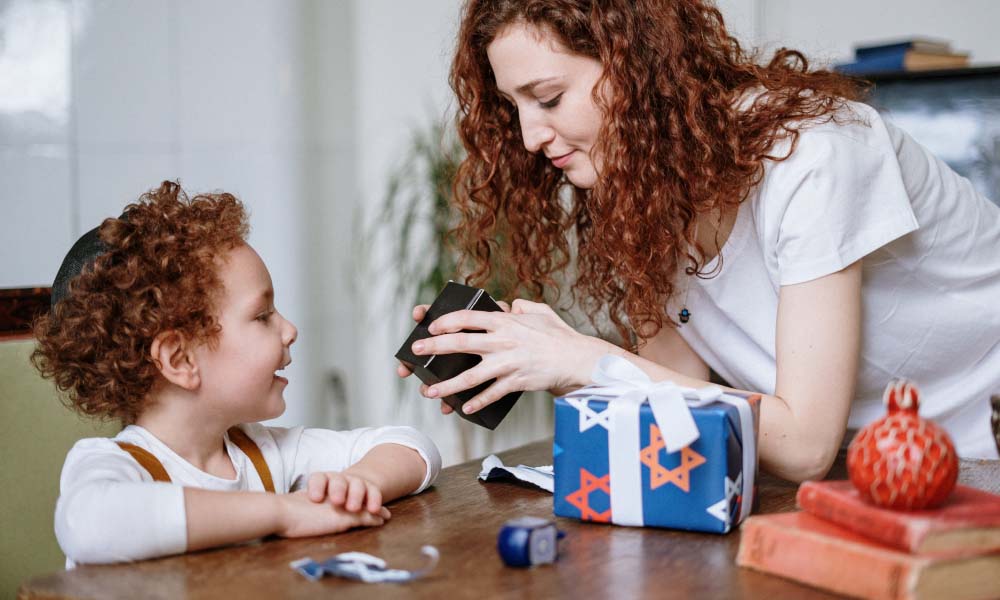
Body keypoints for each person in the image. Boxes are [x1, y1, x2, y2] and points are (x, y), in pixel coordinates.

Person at [399, 0, 1000, 480]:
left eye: (549, 98)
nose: (530, 135)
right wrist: (540, 358)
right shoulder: (639, 194)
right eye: (514, 107)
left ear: (635, 66)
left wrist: (583, 357)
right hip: (871, 474)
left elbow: (804, 443)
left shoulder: (816, 150)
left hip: (979, 454)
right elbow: (673, 397)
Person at [33, 181, 441, 566]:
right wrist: (285, 513)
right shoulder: (115, 465)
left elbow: (413, 446)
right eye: (262, 316)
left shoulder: (263, 453)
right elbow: (89, 524)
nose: (290, 330)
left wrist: (358, 483)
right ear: (179, 360)